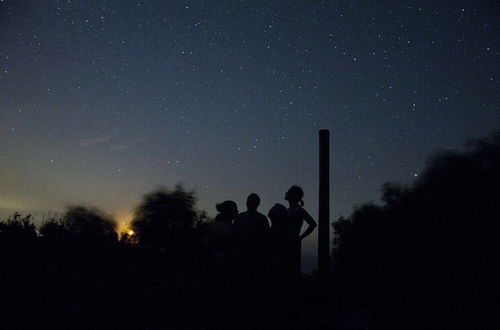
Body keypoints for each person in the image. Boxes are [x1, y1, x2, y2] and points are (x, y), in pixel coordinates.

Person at [284, 185, 317, 274]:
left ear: (293, 195)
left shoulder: (299, 211)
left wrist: (300, 237)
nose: (286, 192)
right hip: (285, 244)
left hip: (292, 244)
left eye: (289, 191)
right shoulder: (287, 210)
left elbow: (313, 224)